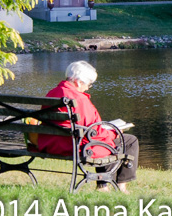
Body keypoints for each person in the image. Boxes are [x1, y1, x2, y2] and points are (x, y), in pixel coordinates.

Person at [39, 60, 138, 193]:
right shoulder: (78, 99)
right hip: (75, 146)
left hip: (52, 143)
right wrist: (115, 132)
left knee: (112, 140)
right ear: (78, 82)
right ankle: (115, 186)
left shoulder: (52, 93)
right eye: (88, 84)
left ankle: (105, 185)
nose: (87, 88)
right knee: (127, 140)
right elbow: (94, 132)